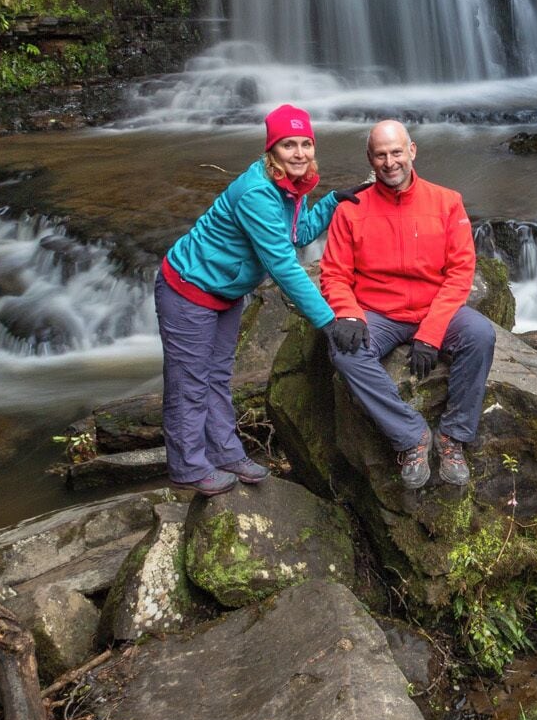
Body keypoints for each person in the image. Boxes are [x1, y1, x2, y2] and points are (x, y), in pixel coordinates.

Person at [156, 104, 366, 495]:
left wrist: (333, 201)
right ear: (272, 150)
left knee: (218, 376)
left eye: (305, 143)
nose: (299, 153)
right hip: (188, 289)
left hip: (225, 291)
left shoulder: (292, 185)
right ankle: (187, 467)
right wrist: (329, 321)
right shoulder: (258, 192)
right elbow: (284, 266)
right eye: (289, 145)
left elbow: (298, 234)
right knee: (189, 381)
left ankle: (224, 452)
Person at [320, 119, 496, 490]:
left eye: (397, 152)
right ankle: (412, 436)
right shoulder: (351, 209)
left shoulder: (447, 202)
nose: (390, 162)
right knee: (343, 348)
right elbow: (334, 273)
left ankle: (453, 437)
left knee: (480, 334)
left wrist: (431, 334)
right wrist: (348, 313)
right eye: (381, 155)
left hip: (436, 310)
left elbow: (461, 272)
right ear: (370, 159)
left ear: (412, 151)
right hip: (379, 313)